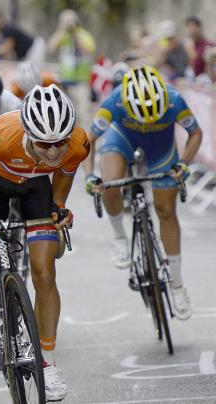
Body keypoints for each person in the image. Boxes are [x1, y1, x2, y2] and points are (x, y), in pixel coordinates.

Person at [0, 84, 90, 401]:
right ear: (29, 135)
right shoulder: (1, 136)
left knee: (45, 274)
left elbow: (64, 173)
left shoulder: (78, 143)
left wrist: (58, 207)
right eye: (43, 144)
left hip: (36, 187)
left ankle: (47, 364)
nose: (53, 151)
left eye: (59, 143)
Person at [84, 65, 202, 320]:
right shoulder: (114, 101)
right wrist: (89, 176)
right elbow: (88, 140)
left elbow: (195, 133)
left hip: (162, 150)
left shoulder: (174, 100)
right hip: (122, 140)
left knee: (166, 212)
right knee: (110, 183)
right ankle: (119, 237)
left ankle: (178, 284)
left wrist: (184, 163)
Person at [47, 9, 96, 125]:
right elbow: (50, 48)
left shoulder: (84, 35)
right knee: (66, 114)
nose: (68, 24)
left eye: (70, 21)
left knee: (83, 113)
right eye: (64, 21)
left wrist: (75, 34)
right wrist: (61, 30)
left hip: (82, 81)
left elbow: (89, 50)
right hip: (65, 81)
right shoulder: (61, 35)